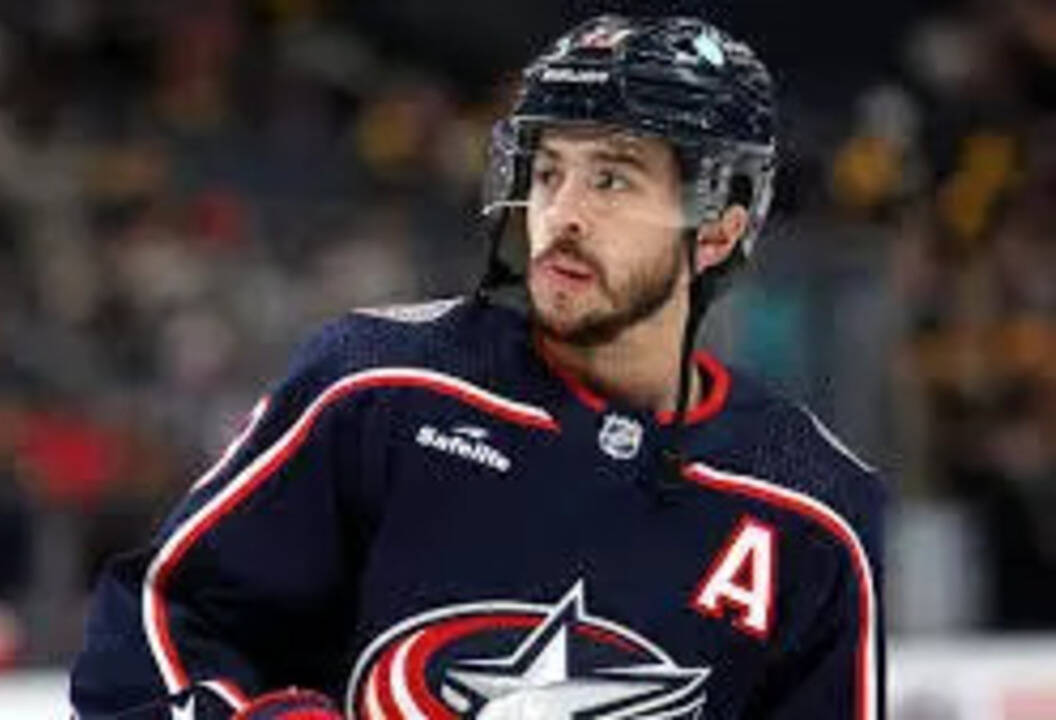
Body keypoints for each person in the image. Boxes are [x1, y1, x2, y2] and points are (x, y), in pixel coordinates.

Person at [70, 15, 886, 720]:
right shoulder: (379, 388)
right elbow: (151, 630)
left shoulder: (810, 506)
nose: (561, 214)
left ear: (716, 229)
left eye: (612, 178)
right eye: (548, 170)